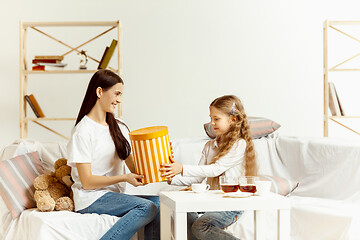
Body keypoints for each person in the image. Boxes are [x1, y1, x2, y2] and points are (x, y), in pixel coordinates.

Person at [67, 69, 160, 240]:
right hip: (90, 198)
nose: (119, 100)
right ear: (99, 92)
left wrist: (160, 156)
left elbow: (135, 167)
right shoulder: (83, 131)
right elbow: (87, 182)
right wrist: (124, 178)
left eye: (121, 95)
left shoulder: (119, 126)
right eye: (116, 94)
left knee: (158, 202)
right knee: (147, 207)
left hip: (113, 196)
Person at [161, 95, 258, 240]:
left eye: (216, 119)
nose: (212, 123)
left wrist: (181, 168)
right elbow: (197, 178)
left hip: (231, 205)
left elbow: (215, 169)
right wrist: (170, 177)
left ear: (234, 119)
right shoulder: (209, 146)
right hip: (212, 201)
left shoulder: (239, 145)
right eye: (210, 118)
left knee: (200, 227)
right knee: (184, 212)